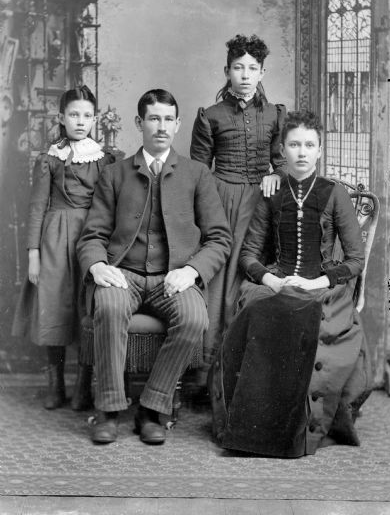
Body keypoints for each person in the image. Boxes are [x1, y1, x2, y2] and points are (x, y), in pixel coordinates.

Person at [209, 110, 373, 457]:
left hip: (322, 287)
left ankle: (294, 430)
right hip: (277, 280)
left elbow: (355, 260)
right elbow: (250, 254)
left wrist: (316, 283)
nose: (301, 152)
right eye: (294, 144)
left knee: (302, 313)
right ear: (282, 149)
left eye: (309, 145)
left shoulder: (334, 194)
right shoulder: (272, 193)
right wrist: (273, 280)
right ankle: (258, 427)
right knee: (259, 309)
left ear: (319, 150)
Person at [76, 89, 232, 445]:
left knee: (194, 317)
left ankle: (152, 408)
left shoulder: (197, 174)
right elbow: (92, 235)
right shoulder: (115, 174)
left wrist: (191, 271)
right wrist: (98, 266)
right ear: (139, 123)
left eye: (168, 120)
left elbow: (219, 238)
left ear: (177, 125)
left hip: (174, 278)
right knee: (110, 305)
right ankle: (109, 409)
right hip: (124, 274)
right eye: (153, 119)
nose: (161, 127)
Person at [12, 85, 115, 410]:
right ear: (61, 117)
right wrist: (33, 254)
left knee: (88, 308)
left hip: (91, 238)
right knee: (53, 305)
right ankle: (55, 383)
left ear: (95, 118)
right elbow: (36, 207)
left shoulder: (102, 158)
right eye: (73, 115)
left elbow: (109, 205)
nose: (80, 121)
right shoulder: (49, 158)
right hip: (55, 239)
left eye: (86, 115)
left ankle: (84, 384)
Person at [190, 33, 286, 371]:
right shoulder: (211, 115)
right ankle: (208, 368)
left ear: (263, 72)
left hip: (263, 201)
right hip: (223, 202)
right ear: (227, 70)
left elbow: (284, 160)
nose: (245, 75)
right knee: (220, 282)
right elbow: (198, 171)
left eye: (252, 68)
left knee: (253, 277)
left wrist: (277, 173)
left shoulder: (275, 114)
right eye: (238, 67)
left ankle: (247, 368)